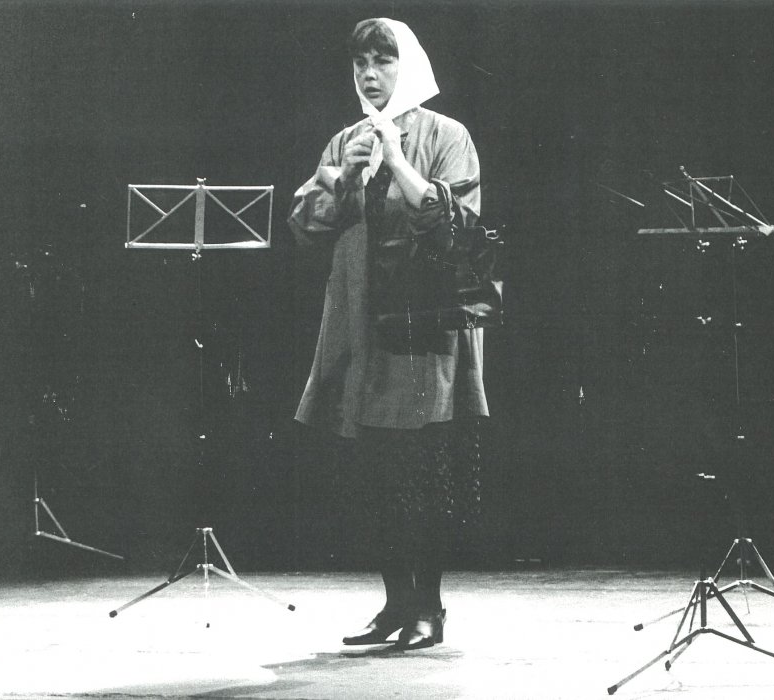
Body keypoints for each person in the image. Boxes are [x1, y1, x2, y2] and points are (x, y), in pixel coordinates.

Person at [288, 17, 487, 650]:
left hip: (421, 328)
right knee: (370, 473)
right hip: (358, 326)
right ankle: (396, 602)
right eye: (360, 64)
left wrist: (397, 160)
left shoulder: (447, 135)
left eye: (383, 62)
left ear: (411, 67)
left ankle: (429, 607)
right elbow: (306, 226)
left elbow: (459, 228)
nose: (370, 75)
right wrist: (347, 175)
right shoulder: (344, 141)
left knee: (420, 473)